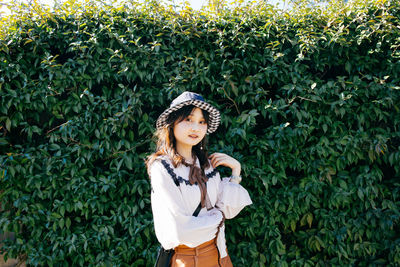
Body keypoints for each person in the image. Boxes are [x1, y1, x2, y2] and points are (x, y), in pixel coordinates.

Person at [146, 91, 252, 267]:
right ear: (172, 123)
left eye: (202, 122)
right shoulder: (162, 167)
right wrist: (218, 218)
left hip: (220, 254)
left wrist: (236, 172)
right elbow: (181, 229)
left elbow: (229, 210)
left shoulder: (205, 164)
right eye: (188, 119)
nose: (195, 127)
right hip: (188, 259)